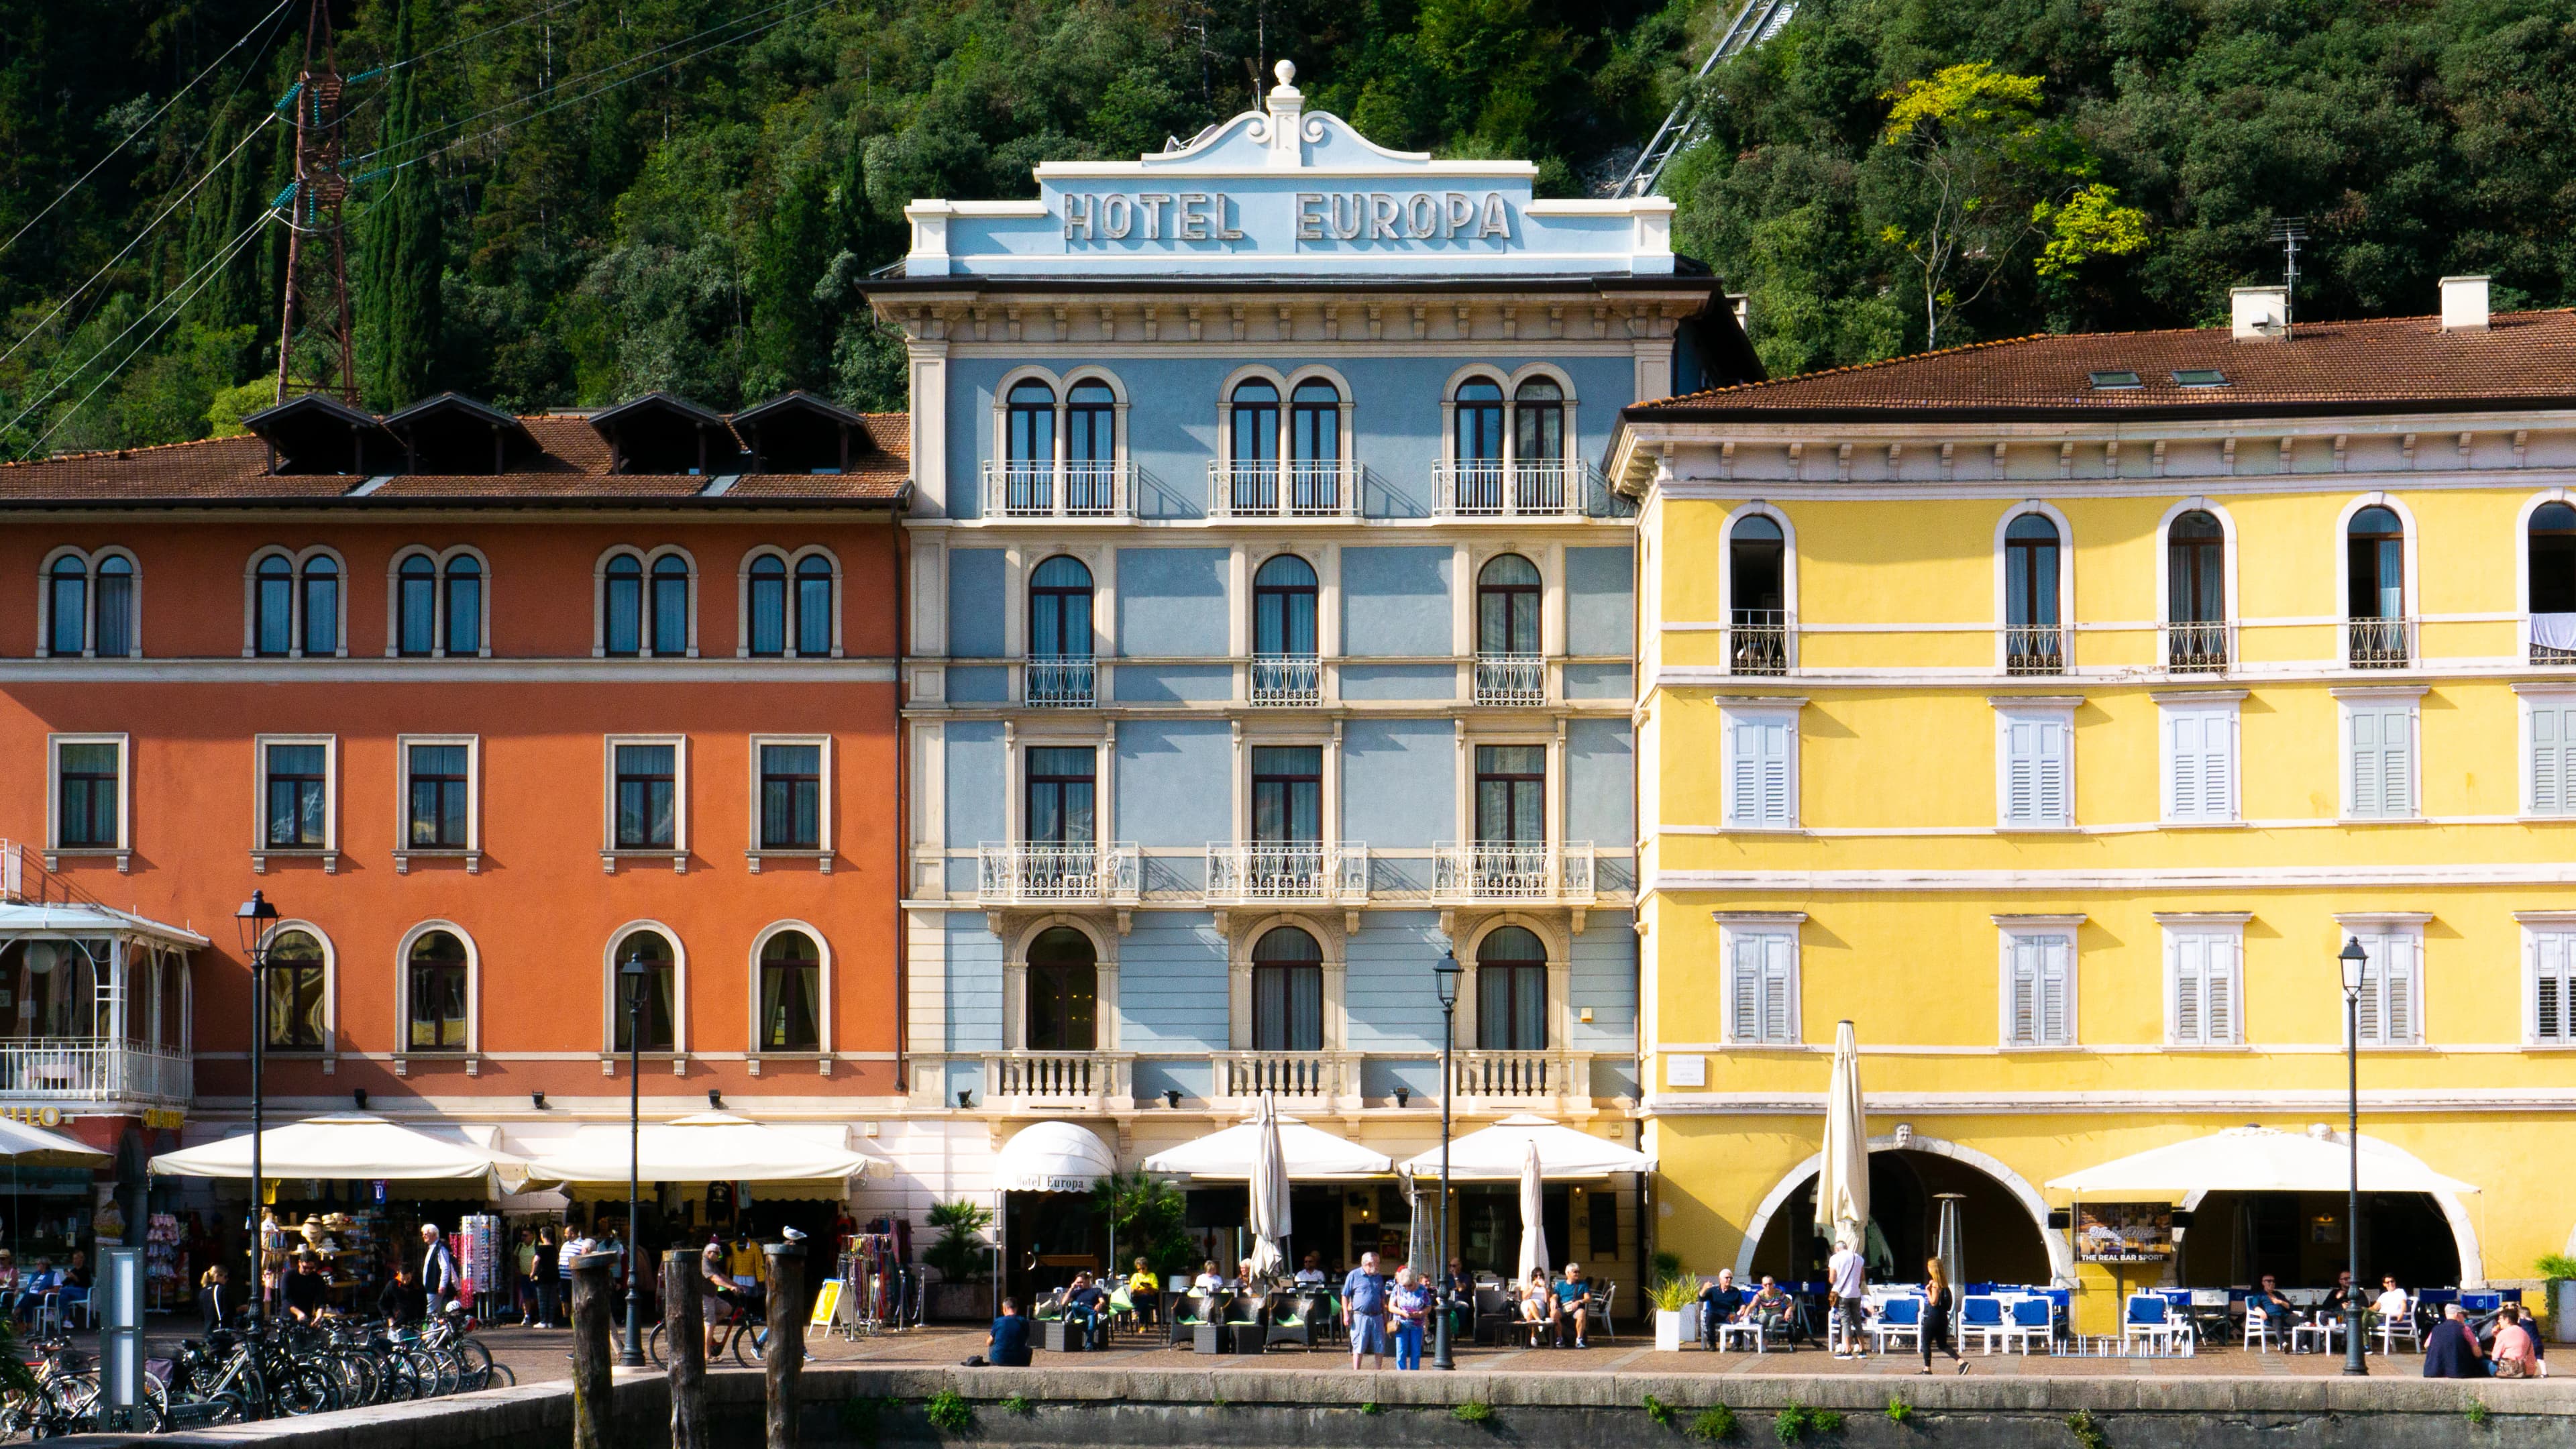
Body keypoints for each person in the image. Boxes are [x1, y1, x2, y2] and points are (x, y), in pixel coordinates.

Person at [1919, 1256, 1968, 1375]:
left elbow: (1933, 1302)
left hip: (1934, 1316)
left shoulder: (1936, 1285)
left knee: (1926, 1342)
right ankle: (1961, 1362)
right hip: (1943, 1317)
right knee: (1942, 1344)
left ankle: (1927, 1368)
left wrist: (1927, 1292)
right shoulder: (1944, 1284)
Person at [1342, 1251, 1389, 1370]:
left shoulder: (1378, 1276)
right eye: (1376, 1263)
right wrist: (1346, 1315)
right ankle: (1356, 1371)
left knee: (1380, 1344)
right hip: (1360, 1316)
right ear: (1368, 1264)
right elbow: (1345, 1296)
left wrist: (1385, 1316)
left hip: (1377, 1316)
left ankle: (1378, 1370)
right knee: (1359, 1345)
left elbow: (1382, 1298)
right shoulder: (1354, 1275)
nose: (1379, 1265)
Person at [1826, 1232, 1868, 1358]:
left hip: (1842, 1294)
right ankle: (1862, 1349)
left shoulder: (1835, 1258)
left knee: (1845, 1322)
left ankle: (1847, 1350)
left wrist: (1832, 1281)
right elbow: (1862, 1277)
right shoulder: (1858, 1258)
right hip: (1855, 1294)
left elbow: (1832, 1279)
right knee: (1857, 1321)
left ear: (1837, 1249)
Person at [2423, 1302, 2485, 1378]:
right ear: (2457, 1315)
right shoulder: (2465, 1329)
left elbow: (2426, 1346)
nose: (2465, 1318)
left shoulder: (2436, 1329)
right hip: (2459, 1371)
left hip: (2434, 1371)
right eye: (2464, 1315)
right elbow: (2477, 1353)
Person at [1390, 1267, 1430, 1371]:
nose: (1407, 1288)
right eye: (1405, 1286)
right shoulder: (1398, 1288)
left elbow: (1428, 1306)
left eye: (1410, 1285)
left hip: (1417, 1325)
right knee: (1401, 1351)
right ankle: (1401, 1375)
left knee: (1416, 1352)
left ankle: (1414, 1375)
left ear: (1414, 1281)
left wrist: (1421, 1313)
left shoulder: (1422, 1289)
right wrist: (1402, 1312)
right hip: (1402, 1324)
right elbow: (1391, 1307)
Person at [1697, 1270, 1748, 1350]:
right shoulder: (1713, 1290)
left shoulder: (1735, 1291)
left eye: (1731, 1278)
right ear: (1720, 1279)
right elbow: (1701, 1299)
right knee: (1709, 1317)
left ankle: (1736, 1345)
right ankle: (1712, 1344)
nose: (1729, 1280)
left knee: (1741, 1320)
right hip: (1716, 1314)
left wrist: (1742, 1308)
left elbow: (1742, 1304)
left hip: (1730, 1315)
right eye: (1727, 1278)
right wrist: (1704, 1288)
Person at [420, 1223, 458, 1320]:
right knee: (433, 1312)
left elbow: (445, 1268)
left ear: (434, 1234)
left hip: (434, 1286)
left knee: (431, 1312)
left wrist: (442, 1285)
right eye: (423, 1234)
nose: (424, 1236)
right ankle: (433, 1332)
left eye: (426, 1234)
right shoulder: (432, 1248)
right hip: (430, 1286)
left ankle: (431, 1333)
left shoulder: (440, 1249)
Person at [2492, 1304, 2542, 1379]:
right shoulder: (2525, 1332)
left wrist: (2497, 1336)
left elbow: (2495, 1357)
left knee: (2484, 1362)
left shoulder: (2503, 1333)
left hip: (2510, 1370)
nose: (2498, 1321)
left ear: (2507, 1320)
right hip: (2528, 1371)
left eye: (2500, 1319)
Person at [981, 1297, 1032, 1367]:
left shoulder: (998, 1321)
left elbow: (989, 1342)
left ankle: (993, 1366)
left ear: (1004, 1309)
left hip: (999, 1360)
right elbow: (1025, 1339)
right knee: (1029, 1350)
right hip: (1020, 1361)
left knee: (991, 1347)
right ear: (1017, 1308)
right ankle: (1025, 1367)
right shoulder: (1024, 1321)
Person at [1065, 1272, 1110, 1350]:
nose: (1079, 1284)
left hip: (1089, 1314)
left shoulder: (1096, 1290)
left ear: (1088, 1281)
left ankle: (1089, 1345)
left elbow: (1102, 1301)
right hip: (1079, 1314)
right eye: (1077, 1282)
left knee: (1091, 1317)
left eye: (1081, 1282)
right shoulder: (1076, 1292)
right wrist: (1071, 1288)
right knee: (1074, 1304)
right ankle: (1092, 1313)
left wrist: (1100, 1304)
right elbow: (1064, 1303)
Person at [282, 1253, 329, 1324]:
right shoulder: (289, 1276)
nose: (308, 1270)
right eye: (305, 1267)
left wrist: (319, 1315)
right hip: (289, 1317)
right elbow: (285, 1299)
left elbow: (321, 1301)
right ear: (299, 1263)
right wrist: (299, 1313)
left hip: (307, 1317)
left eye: (311, 1268)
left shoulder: (317, 1279)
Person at [1554, 1263, 1593, 1348]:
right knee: (1553, 1314)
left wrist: (1579, 1301)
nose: (1578, 1274)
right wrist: (1553, 1300)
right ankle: (1560, 1339)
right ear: (1568, 1273)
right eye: (1575, 1272)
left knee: (1582, 1312)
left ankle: (1579, 1339)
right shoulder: (1560, 1285)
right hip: (1564, 1308)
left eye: (1579, 1272)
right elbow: (1555, 1295)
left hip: (1576, 1309)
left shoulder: (1583, 1284)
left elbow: (1588, 1298)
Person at [1745, 1275, 1794, 1342]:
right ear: (1762, 1285)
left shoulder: (1779, 1293)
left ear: (1773, 1284)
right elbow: (1751, 1306)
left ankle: (1766, 1341)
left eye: (1770, 1284)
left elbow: (1791, 1305)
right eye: (1766, 1284)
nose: (1768, 1286)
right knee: (1763, 1318)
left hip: (1777, 1314)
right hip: (1765, 1313)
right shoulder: (1760, 1294)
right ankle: (1761, 1339)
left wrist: (1788, 1311)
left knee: (1775, 1318)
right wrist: (1745, 1316)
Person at [380, 1263, 426, 1330]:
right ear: (399, 1274)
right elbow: (381, 1303)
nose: (405, 1282)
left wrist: (421, 1321)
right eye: (403, 1279)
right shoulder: (393, 1285)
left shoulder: (418, 1285)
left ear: (411, 1274)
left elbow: (423, 1304)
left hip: (414, 1325)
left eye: (408, 1279)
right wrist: (389, 1318)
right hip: (397, 1323)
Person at [2249, 1275, 2294, 1342]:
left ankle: (2303, 1345)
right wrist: (2261, 1311)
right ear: (2263, 1283)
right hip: (2271, 1318)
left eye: (2273, 1281)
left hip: (2284, 1316)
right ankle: (2283, 1344)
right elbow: (2255, 1306)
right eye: (2269, 1281)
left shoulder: (2278, 1294)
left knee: (2302, 1321)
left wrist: (2281, 1302)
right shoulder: (2259, 1295)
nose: (2272, 1283)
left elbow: (2289, 1306)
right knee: (2277, 1319)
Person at [1516, 1268, 1553, 1346]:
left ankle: (1531, 1338)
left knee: (1530, 1314)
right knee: (1531, 1302)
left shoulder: (1546, 1286)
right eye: (1536, 1276)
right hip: (1527, 1304)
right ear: (1533, 1277)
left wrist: (1545, 1288)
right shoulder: (1529, 1286)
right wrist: (1533, 1287)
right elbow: (1525, 1298)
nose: (1538, 1277)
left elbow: (1547, 1300)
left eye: (1540, 1275)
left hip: (1540, 1306)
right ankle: (1539, 1322)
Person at [532, 1228, 561, 1328]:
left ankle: (543, 1321)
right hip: (554, 1276)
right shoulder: (554, 1248)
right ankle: (550, 1321)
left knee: (543, 1299)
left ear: (542, 1235)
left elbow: (536, 1261)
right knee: (552, 1299)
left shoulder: (541, 1248)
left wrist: (533, 1273)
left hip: (543, 1276)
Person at [2371, 1276, 2410, 1352]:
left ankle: (2364, 1346)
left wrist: (2402, 1313)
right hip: (2381, 1317)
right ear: (2384, 1284)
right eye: (2388, 1282)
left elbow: (2404, 1304)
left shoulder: (2400, 1291)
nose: (2391, 1283)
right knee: (2363, 1319)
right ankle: (2365, 1346)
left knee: (2363, 1321)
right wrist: (2362, 1310)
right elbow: (2374, 1308)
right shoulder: (2384, 1295)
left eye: (2392, 1281)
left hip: (2391, 1318)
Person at [201, 1263, 239, 1334]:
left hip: (208, 1329)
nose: (227, 1279)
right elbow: (228, 1310)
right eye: (225, 1277)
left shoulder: (204, 1291)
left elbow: (201, 1314)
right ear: (217, 1276)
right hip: (221, 1330)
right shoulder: (222, 1290)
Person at [513, 1228, 539, 1325]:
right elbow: (515, 1257)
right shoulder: (520, 1246)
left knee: (537, 1296)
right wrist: (516, 1269)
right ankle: (527, 1315)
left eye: (526, 1235)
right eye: (522, 1235)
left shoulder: (538, 1245)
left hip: (535, 1276)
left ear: (532, 1236)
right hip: (524, 1276)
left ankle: (539, 1315)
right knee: (526, 1296)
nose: (523, 1238)